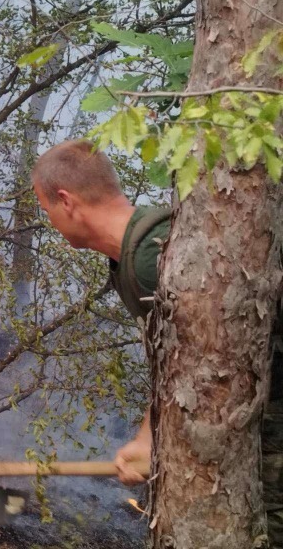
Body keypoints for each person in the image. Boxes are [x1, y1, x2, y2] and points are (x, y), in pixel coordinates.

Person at [31, 138, 283, 542]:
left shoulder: (155, 258)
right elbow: (177, 363)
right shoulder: (135, 252)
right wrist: (147, 439)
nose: (51, 222)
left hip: (260, 436)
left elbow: (215, 369)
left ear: (67, 201)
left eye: (47, 211)